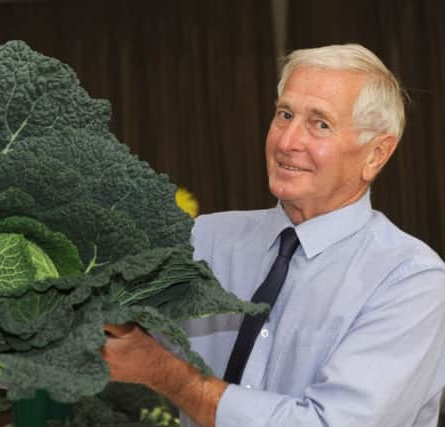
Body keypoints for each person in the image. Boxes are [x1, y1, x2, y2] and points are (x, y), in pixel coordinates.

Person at [102, 44, 445, 427]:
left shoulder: (410, 281)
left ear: (376, 154)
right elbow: (105, 327)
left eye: (320, 124)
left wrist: (173, 377)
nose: (286, 142)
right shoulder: (203, 240)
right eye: (284, 114)